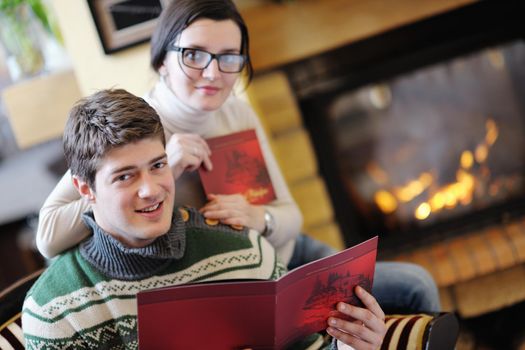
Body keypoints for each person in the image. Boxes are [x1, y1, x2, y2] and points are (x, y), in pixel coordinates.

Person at [36, 0, 440, 314]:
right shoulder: (136, 132)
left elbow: (290, 215)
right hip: (240, 278)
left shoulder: (237, 113)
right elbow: (48, 236)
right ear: (162, 61)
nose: (213, 73)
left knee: (415, 285)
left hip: (289, 251)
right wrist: (163, 168)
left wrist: (257, 217)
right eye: (194, 54)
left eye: (229, 58)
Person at [22, 89, 386, 350]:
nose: (151, 190)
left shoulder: (243, 250)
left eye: (158, 166)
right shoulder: (54, 312)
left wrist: (354, 347)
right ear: (84, 189)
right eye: (125, 176)